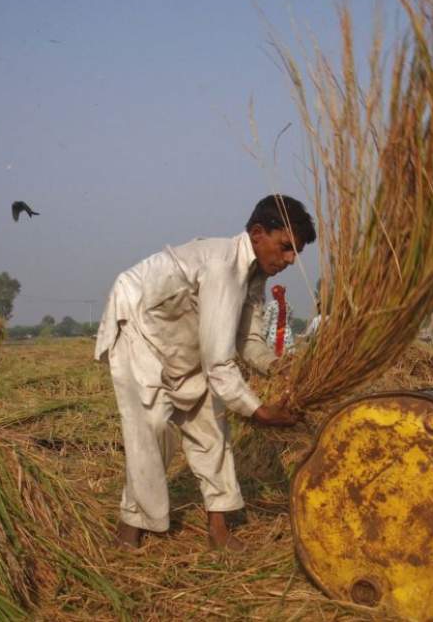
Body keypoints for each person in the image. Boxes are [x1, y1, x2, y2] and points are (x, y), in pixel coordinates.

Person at [94, 194, 316, 551]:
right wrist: (259, 411)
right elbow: (219, 363)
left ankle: (219, 529)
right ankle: (130, 528)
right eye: (286, 247)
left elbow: (247, 339)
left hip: (183, 340)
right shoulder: (223, 266)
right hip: (139, 326)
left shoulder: (253, 277)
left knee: (212, 428)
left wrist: (278, 365)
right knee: (150, 427)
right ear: (258, 233)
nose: (290, 259)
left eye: (296, 253)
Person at [263, 284, 294, 356]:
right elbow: (291, 322)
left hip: (273, 335)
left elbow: (266, 322)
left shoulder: (271, 305)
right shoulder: (288, 305)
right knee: (287, 358)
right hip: (287, 335)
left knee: (273, 358)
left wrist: (263, 335)